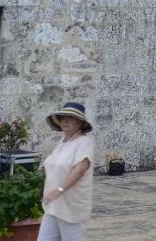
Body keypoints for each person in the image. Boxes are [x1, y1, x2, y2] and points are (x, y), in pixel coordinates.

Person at [40, 101, 96, 241]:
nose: (65, 121)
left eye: (70, 118)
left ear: (80, 123)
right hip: (53, 205)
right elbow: (55, 166)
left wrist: (58, 190)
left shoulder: (84, 142)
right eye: (63, 117)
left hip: (71, 207)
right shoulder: (62, 142)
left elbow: (79, 171)